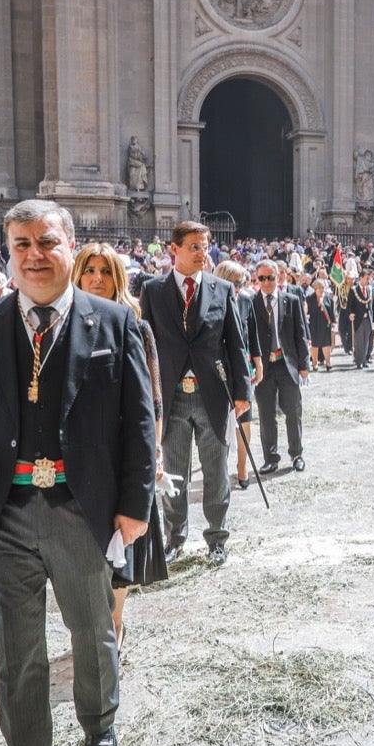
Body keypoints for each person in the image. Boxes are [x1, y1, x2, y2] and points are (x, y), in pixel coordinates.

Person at [0, 201, 155, 746]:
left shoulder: (115, 322)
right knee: (17, 646)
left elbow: (140, 423)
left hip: (79, 510)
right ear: (7, 250)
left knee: (91, 631)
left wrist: (133, 506)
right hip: (1, 514)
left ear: (71, 245)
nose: (34, 253)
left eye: (47, 241)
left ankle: (100, 726)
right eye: (21, 242)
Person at [139, 221, 251, 566]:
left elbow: (235, 343)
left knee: (216, 470)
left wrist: (242, 390)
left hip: (212, 395)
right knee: (174, 472)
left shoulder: (220, 289)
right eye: (195, 247)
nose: (203, 254)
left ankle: (217, 538)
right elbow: (145, 346)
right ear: (174, 249)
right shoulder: (153, 291)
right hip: (169, 396)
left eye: (206, 246)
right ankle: (175, 538)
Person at [73, 242, 167, 647]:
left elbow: (154, 402)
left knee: (120, 550)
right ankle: (92, 630)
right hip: (76, 458)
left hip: (122, 456)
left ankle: (114, 628)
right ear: (77, 275)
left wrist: (154, 454)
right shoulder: (62, 324)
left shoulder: (135, 325)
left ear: (119, 279)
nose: (97, 278)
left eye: (106, 271)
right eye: (90, 270)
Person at [250, 258, 309, 473]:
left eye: (270, 277)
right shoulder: (251, 302)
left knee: (293, 411)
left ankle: (297, 454)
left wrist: (304, 364)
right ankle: (271, 458)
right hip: (263, 368)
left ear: (278, 277)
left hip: (287, 364)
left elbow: (300, 334)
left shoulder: (291, 300)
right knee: (266, 415)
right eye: (262, 278)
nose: (266, 282)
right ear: (256, 279)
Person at [213, 259, 259, 491]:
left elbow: (251, 335)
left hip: (242, 368)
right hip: (218, 369)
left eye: (241, 283)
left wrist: (258, 363)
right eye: (234, 283)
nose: (238, 288)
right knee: (219, 423)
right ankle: (219, 470)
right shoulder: (209, 302)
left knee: (245, 421)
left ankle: (243, 467)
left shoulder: (246, 301)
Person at [345, 270, 374, 368]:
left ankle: (364, 359)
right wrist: (350, 313)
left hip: (368, 318)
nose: (368, 280)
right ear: (361, 278)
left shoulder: (370, 289)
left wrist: (373, 318)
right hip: (358, 319)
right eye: (367, 278)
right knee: (359, 341)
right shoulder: (354, 290)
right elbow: (349, 305)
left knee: (366, 340)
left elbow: (372, 305)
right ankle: (359, 361)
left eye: (369, 278)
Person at [305, 277, 336, 371]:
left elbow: (331, 311)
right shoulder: (309, 299)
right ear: (315, 289)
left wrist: (333, 323)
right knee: (315, 345)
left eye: (323, 288)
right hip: (314, 325)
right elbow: (306, 311)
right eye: (320, 288)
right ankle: (315, 363)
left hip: (326, 325)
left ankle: (328, 363)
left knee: (327, 344)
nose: (322, 290)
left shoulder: (328, 298)